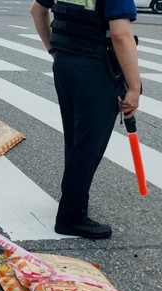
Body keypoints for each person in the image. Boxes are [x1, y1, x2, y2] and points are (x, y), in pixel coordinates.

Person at [30, 0, 140, 239]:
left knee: (76, 138)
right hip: (95, 68)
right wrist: (133, 86)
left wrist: (54, 50)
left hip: (66, 64)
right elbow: (121, 35)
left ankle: (74, 200)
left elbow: (37, 11)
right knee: (89, 145)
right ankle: (71, 217)